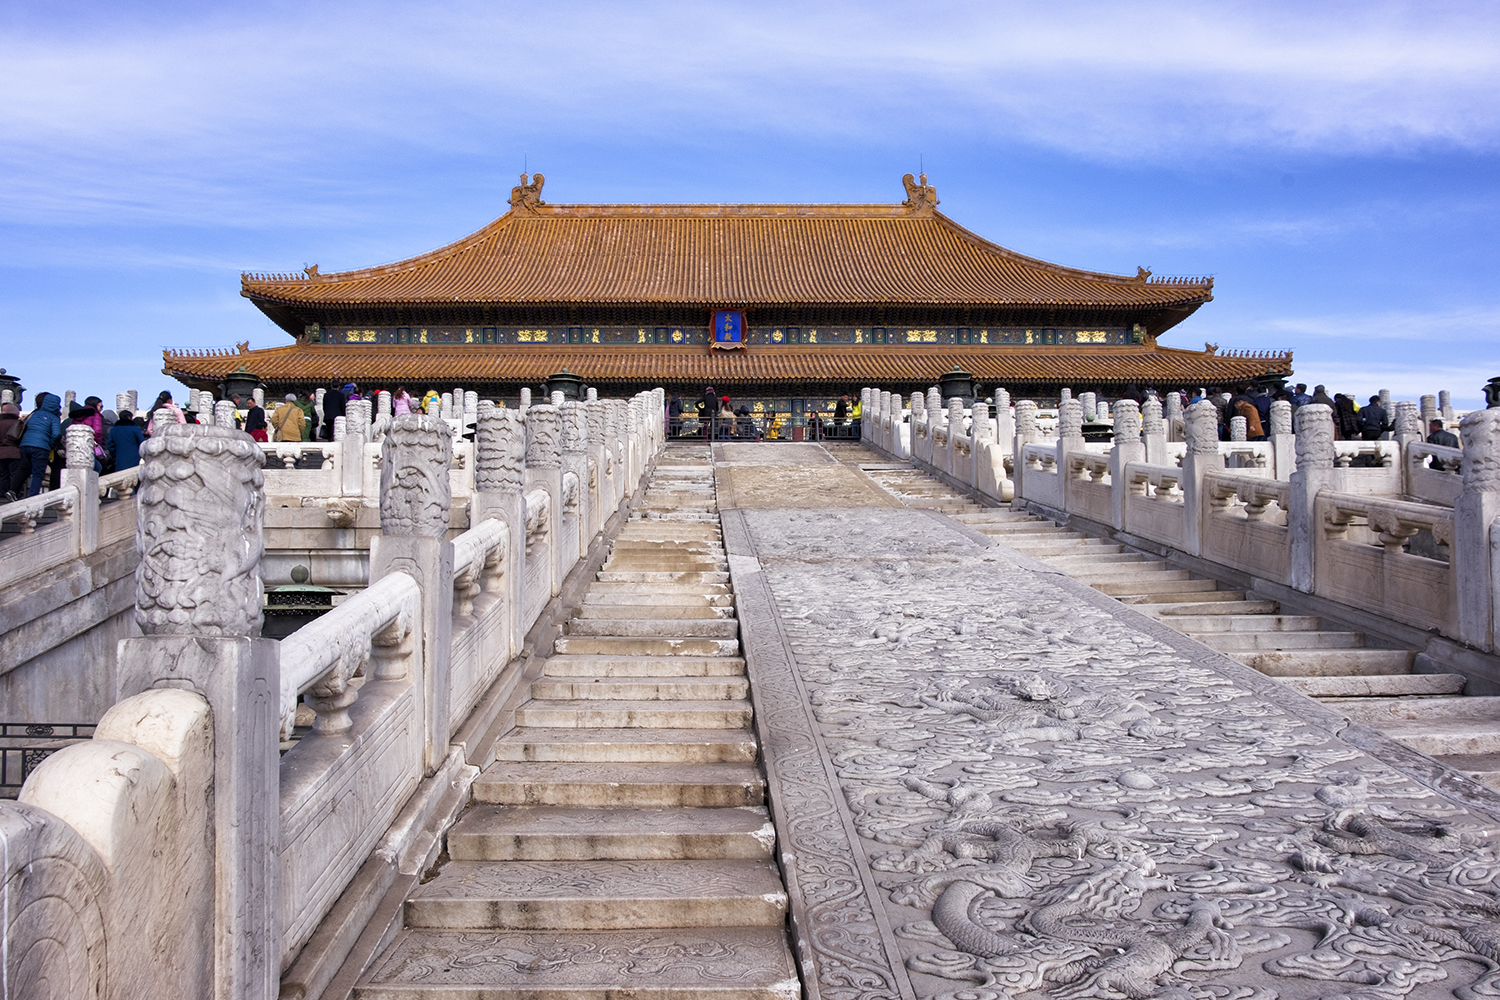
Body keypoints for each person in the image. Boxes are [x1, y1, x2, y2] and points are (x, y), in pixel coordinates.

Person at [19, 392, 62, 496]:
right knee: (38, 473)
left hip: (24, 445)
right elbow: (56, 434)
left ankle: (14, 491)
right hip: (40, 447)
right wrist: (51, 444)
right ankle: (33, 497)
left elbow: (22, 425)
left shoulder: (33, 414)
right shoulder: (53, 417)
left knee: (25, 469)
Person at [0, 402, 22, 501]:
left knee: (3, 475)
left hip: (1, 453)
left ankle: (2, 493)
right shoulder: (18, 423)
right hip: (15, 452)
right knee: (14, 474)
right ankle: (14, 493)